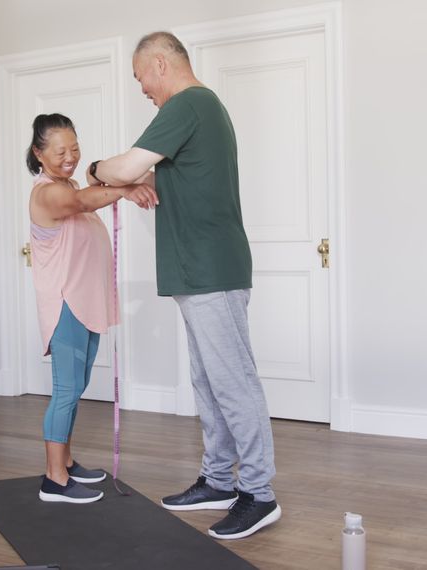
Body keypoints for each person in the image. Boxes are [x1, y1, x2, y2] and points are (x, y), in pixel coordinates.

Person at [86, 32, 280, 539]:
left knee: (233, 381)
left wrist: (95, 170)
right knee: (209, 382)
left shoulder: (188, 103)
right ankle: (218, 480)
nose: (143, 90)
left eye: (140, 79)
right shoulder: (202, 110)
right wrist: (134, 184)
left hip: (211, 269)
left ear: (159, 64)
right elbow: (157, 178)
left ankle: (259, 493)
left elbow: (128, 165)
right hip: (200, 271)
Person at [26, 113, 156, 504]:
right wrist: (126, 190)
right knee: (66, 389)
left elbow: (90, 190)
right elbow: (83, 201)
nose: (70, 157)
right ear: (39, 153)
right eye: (60, 151)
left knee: (77, 386)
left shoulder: (69, 183)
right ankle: (53, 480)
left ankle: (65, 461)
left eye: (75, 148)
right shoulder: (47, 192)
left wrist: (129, 180)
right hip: (65, 303)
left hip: (85, 301)